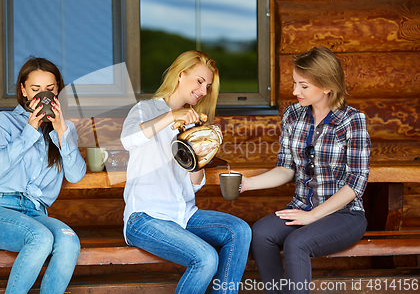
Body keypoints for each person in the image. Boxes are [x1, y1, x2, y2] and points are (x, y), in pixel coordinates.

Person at [241, 46, 370, 294]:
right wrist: (247, 183)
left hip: (345, 215)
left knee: (297, 243)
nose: (294, 91)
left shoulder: (352, 120)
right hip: (301, 208)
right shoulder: (293, 115)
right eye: (294, 83)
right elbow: (286, 168)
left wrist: (312, 216)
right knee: (260, 233)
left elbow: (356, 182)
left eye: (303, 86)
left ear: (327, 86)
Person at [121, 51, 251, 294]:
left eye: (208, 86)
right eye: (200, 81)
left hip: (184, 215)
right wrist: (171, 115)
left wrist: (202, 154)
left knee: (239, 230)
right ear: (181, 74)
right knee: (206, 259)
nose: (203, 91)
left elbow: (193, 184)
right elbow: (128, 140)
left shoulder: (193, 125)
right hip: (145, 217)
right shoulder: (145, 110)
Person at [0, 57, 87, 294]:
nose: (43, 95)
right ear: (24, 91)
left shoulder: (65, 130)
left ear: (58, 92)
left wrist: (61, 132)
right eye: (36, 90)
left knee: (69, 240)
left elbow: (76, 175)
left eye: (50, 89)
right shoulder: (5, 121)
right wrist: (30, 130)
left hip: (35, 213)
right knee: (40, 239)